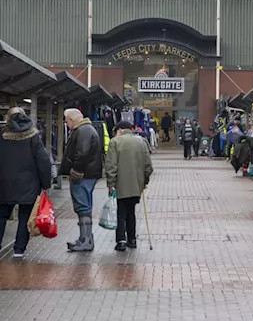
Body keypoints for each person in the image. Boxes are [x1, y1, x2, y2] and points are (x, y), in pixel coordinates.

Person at [0, 108, 52, 258]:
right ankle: (19, 250)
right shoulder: (33, 136)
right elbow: (43, 162)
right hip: (29, 184)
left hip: (4, 184)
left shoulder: (2, 135)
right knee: (25, 216)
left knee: (2, 215)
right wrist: (46, 184)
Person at [105, 121, 153, 251]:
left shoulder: (115, 142)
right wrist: (144, 181)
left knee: (121, 212)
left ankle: (121, 240)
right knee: (131, 212)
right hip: (136, 185)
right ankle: (132, 239)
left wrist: (111, 183)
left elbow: (111, 166)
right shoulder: (141, 142)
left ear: (120, 130)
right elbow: (148, 166)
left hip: (120, 184)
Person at [59, 108, 103, 252]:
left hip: (83, 175)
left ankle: (86, 240)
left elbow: (82, 153)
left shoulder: (82, 131)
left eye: (67, 120)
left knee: (82, 207)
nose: (66, 123)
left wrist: (76, 170)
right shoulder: (87, 129)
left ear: (72, 119)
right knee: (84, 206)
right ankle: (84, 238)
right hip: (89, 174)